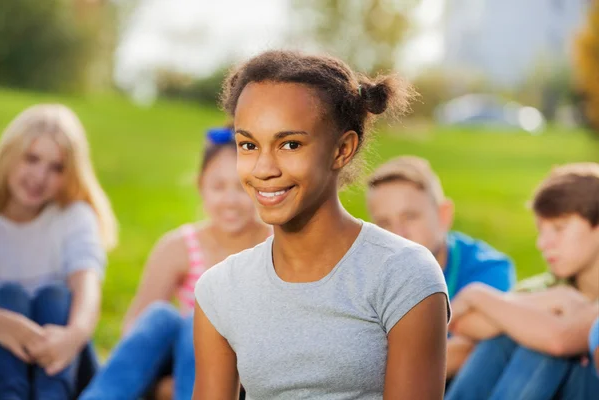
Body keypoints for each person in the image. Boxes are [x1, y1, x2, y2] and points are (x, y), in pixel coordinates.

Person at [192, 50, 450, 400]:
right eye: (248, 145)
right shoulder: (220, 290)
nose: (263, 169)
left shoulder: (404, 275)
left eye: (290, 144)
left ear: (342, 149)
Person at [80, 126, 271, 400]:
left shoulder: (275, 246)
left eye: (242, 187)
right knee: (161, 316)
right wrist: (156, 384)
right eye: (218, 187)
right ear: (201, 187)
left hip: (245, 374)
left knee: (204, 322)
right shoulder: (179, 246)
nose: (230, 200)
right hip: (183, 365)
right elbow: (136, 326)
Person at [445, 162, 599, 400]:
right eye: (541, 230)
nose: (543, 243)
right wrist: (552, 300)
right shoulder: (551, 286)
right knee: (507, 335)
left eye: (559, 228)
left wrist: (476, 295)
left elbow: (558, 340)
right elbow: (466, 324)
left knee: (539, 341)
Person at [0, 104, 118, 399]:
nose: (40, 176)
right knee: (10, 295)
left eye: (56, 168)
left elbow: (87, 287)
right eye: (32, 159)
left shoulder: (74, 216)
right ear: (10, 154)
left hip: (61, 364)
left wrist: (73, 336)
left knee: (57, 296)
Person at [366, 155, 516, 378]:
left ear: (444, 215)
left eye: (410, 217)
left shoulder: (487, 268)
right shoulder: (366, 273)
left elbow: (469, 350)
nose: (398, 234)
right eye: (385, 223)